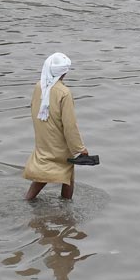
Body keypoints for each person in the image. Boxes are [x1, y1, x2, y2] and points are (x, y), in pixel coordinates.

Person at [24, 52, 89, 201]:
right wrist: (80, 148)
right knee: (64, 171)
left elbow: (33, 109)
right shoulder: (64, 93)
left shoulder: (39, 86)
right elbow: (70, 124)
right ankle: (66, 206)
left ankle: (28, 199)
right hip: (59, 140)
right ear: (64, 72)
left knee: (46, 169)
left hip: (43, 137)